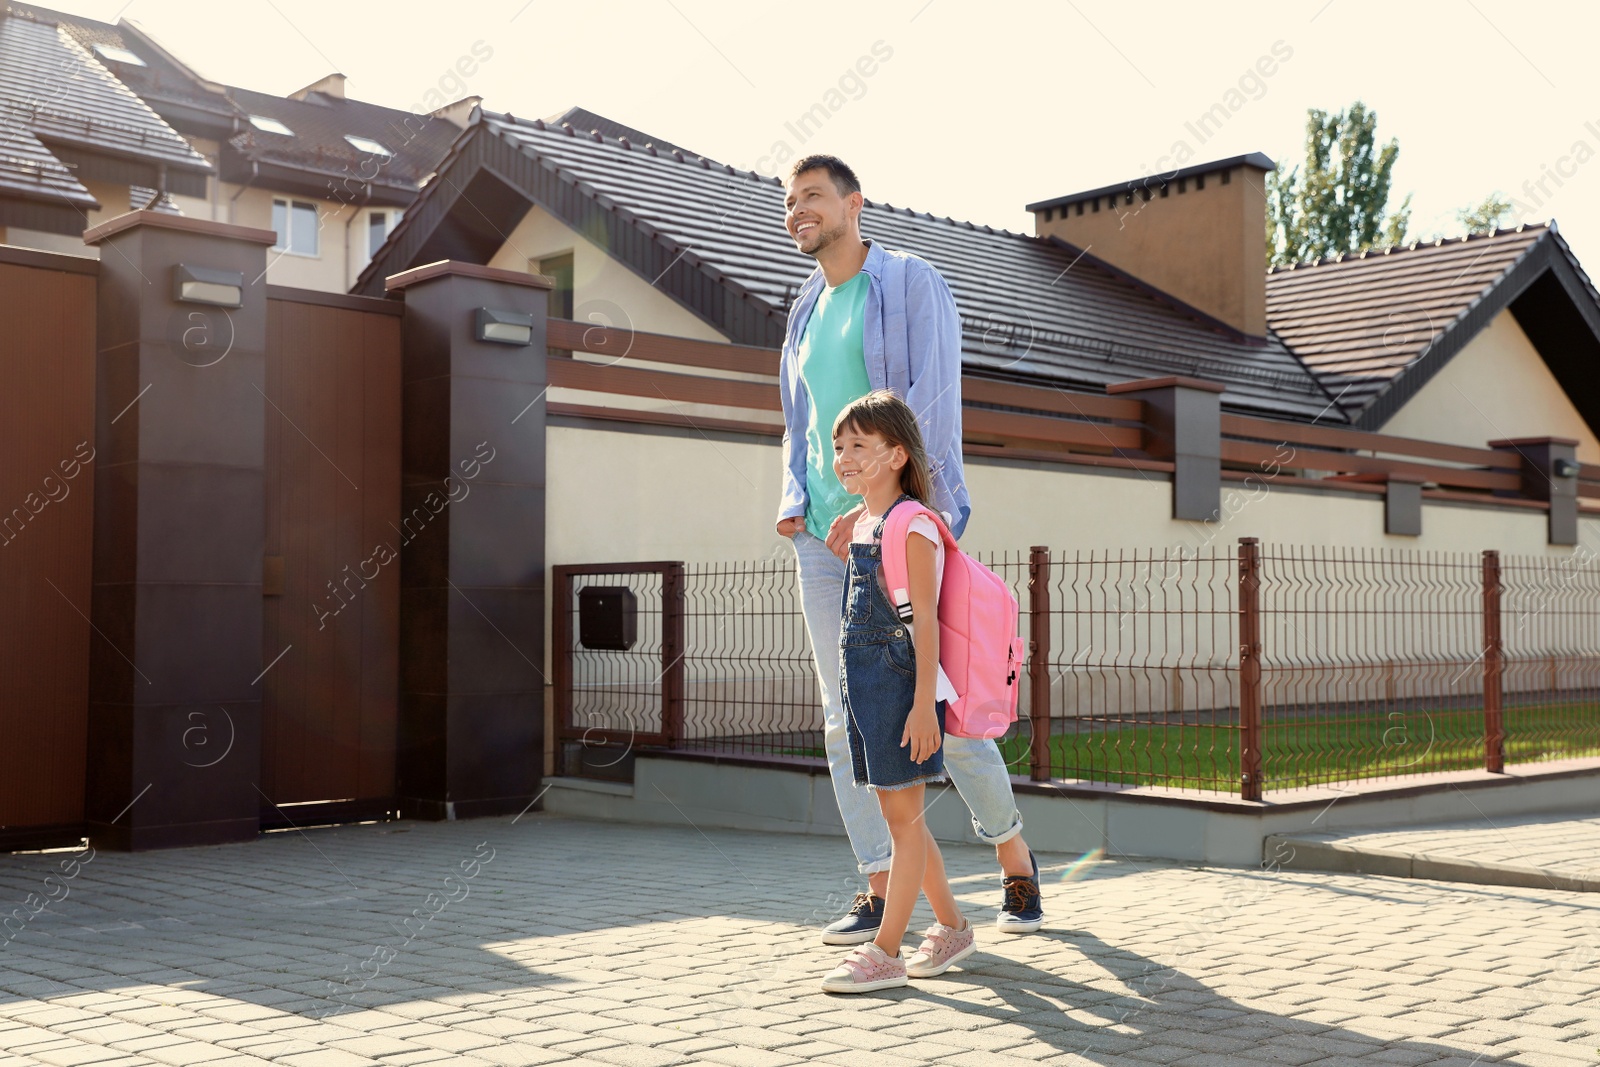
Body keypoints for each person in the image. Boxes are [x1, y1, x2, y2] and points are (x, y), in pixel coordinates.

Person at [775, 154, 1043, 943]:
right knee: (844, 719)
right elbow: (803, 419)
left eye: (813, 197)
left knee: (944, 714)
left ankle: (1015, 860)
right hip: (823, 539)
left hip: (897, 530)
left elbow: (932, 406)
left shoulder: (909, 284)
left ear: (854, 204)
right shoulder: (802, 309)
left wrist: (904, 519)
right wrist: (795, 501)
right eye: (789, 202)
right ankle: (880, 889)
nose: (798, 211)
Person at [820, 391, 974, 992]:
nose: (844, 457)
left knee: (903, 820)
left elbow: (926, 623)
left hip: (900, 682)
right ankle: (955, 927)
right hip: (865, 681)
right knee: (901, 815)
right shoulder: (863, 523)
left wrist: (920, 706)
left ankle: (885, 952)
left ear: (896, 455)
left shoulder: (913, 525)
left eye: (860, 445)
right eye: (839, 447)